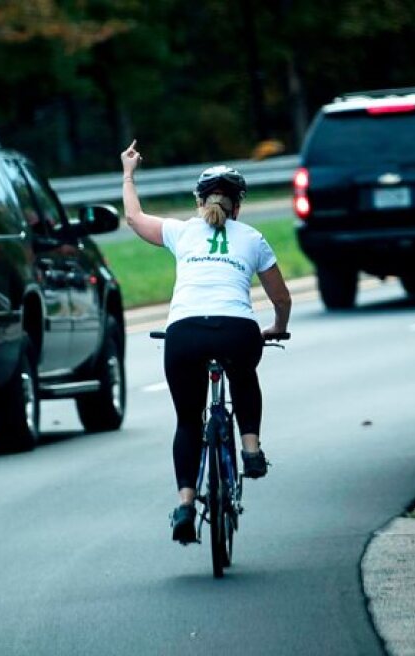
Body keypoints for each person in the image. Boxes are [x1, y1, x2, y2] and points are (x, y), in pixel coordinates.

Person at [119, 140, 292, 545]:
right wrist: (277, 326)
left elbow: (133, 217)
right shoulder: (252, 237)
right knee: (244, 374)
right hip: (237, 329)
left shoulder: (181, 232)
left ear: (200, 202)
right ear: (238, 206)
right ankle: (250, 449)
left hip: (185, 333)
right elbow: (280, 297)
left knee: (187, 420)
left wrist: (129, 172)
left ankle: (184, 503)